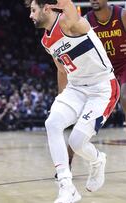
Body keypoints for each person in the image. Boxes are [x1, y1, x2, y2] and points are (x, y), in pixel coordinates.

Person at [25, 0, 120, 202]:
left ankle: (97, 160)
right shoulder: (46, 41)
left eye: (33, 10)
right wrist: (62, 99)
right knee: (52, 123)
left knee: (77, 142)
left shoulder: (70, 21)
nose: (31, 15)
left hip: (102, 87)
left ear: (47, 8)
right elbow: (62, 69)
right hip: (76, 88)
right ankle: (67, 187)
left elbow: (66, 3)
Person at [82, 0, 126, 183]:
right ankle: (66, 162)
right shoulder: (85, 21)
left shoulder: (125, 15)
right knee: (82, 104)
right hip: (104, 68)